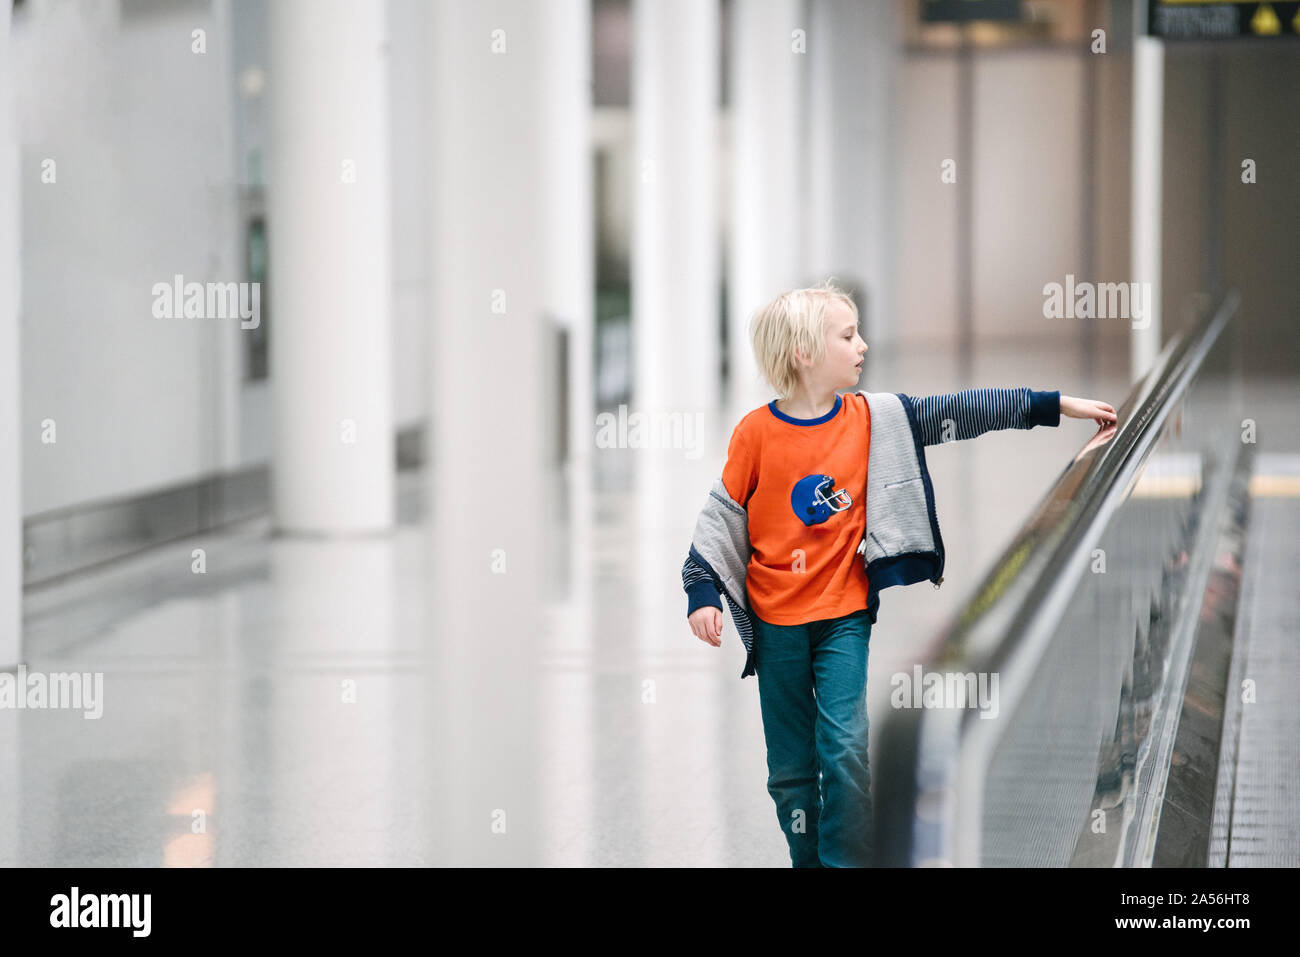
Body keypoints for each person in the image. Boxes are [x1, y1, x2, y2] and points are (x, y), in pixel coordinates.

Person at [680, 279, 1117, 868]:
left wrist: (1053, 405)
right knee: (789, 771)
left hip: (843, 615)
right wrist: (702, 592)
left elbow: (961, 413)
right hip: (776, 619)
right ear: (805, 353)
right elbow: (722, 517)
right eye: (848, 335)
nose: (863, 344)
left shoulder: (874, 419)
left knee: (845, 751)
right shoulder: (756, 434)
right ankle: (806, 858)